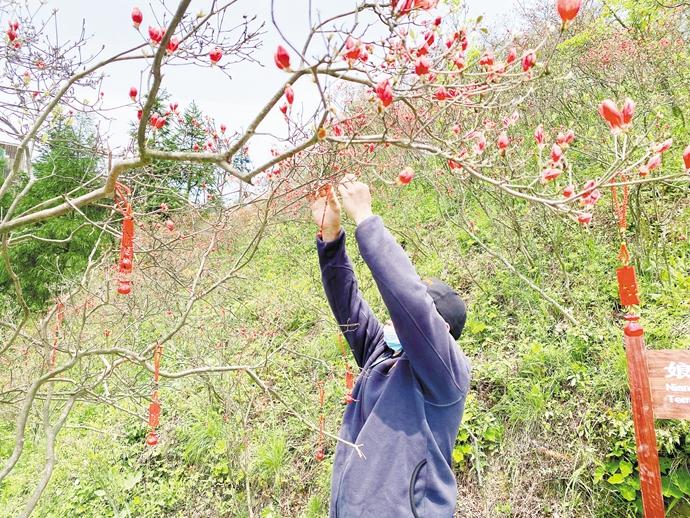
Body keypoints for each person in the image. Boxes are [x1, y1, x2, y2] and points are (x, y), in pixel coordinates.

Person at [310, 174, 472, 517]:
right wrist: (331, 236)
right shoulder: (380, 355)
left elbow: (408, 299)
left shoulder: (447, 375)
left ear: (438, 329)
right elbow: (348, 304)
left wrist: (366, 219)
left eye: (404, 319)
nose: (392, 320)